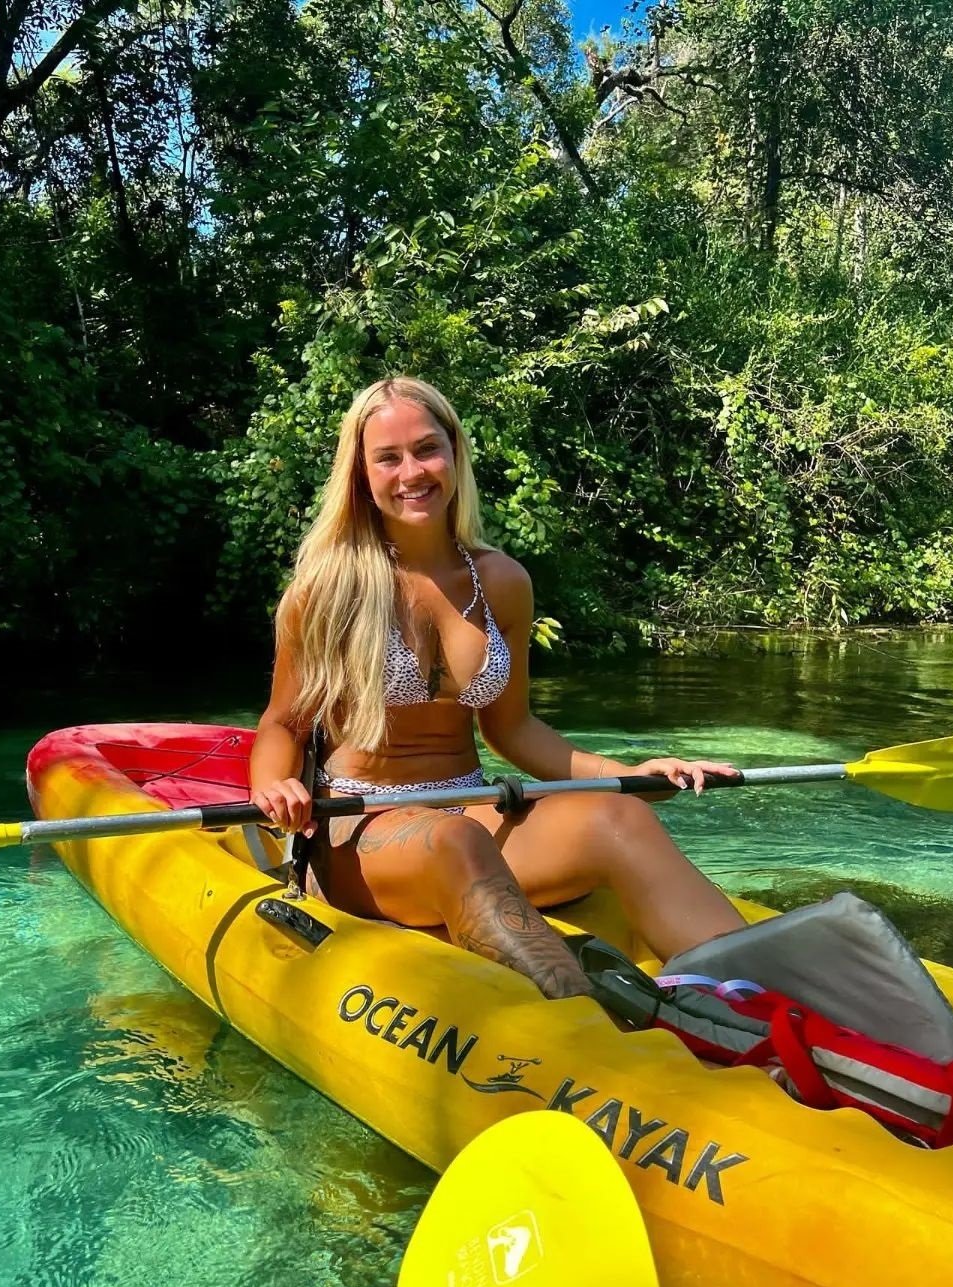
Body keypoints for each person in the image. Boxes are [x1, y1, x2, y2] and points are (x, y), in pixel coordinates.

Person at [251, 377, 745, 1000]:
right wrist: (273, 784)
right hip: (356, 830)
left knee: (620, 817)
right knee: (457, 842)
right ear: (361, 474)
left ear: (454, 453)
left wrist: (628, 775)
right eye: (388, 458)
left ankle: (766, 1001)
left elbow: (512, 729)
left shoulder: (502, 582)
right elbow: (284, 722)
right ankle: (581, 1020)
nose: (412, 472)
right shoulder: (326, 590)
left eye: (427, 449)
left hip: (468, 805)